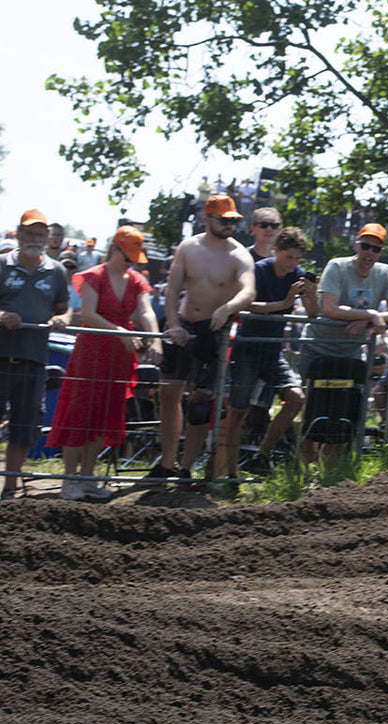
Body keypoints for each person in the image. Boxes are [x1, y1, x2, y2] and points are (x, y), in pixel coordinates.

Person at [47, 227, 160, 500]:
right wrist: (119, 332)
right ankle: (69, 478)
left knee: (104, 415)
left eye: (135, 256)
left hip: (120, 357)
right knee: (80, 414)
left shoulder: (136, 281)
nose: (132, 261)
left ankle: (87, 477)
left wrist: (156, 339)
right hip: (91, 353)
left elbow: (145, 311)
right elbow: (88, 314)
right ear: (114, 249)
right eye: (128, 255)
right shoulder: (94, 276)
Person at [150, 195, 256, 481]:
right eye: (224, 220)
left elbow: (248, 291)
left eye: (233, 220)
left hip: (213, 331)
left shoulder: (239, 254)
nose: (229, 225)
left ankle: (185, 469)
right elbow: (172, 290)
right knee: (168, 394)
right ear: (207, 218)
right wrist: (173, 324)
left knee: (200, 402)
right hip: (183, 324)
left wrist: (227, 308)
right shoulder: (188, 248)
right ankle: (166, 464)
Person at [217, 226, 318, 479]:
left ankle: (261, 456)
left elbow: (314, 314)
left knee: (295, 398)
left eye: (297, 259)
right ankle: (229, 476)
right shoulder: (258, 270)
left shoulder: (297, 275)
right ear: (276, 252)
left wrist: (311, 295)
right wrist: (283, 305)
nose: (292, 264)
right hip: (248, 347)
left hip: (273, 351)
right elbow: (246, 304)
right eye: (288, 257)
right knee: (238, 412)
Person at [300, 223, 388, 456]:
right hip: (318, 348)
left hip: (350, 353)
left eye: (376, 249)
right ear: (356, 244)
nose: (369, 253)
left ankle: (330, 474)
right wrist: (370, 314)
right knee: (312, 410)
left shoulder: (385, 272)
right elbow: (329, 308)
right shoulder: (336, 266)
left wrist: (366, 320)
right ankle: (304, 470)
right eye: (366, 246)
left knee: (343, 412)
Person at [0, 209, 72, 498]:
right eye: (30, 233)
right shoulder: (2, 264)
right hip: (1, 356)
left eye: (40, 234)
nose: (35, 239)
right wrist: (3, 314)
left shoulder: (56, 271)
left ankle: (9, 488)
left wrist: (63, 320)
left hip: (34, 358)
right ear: (18, 234)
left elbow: (63, 307)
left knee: (23, 425)